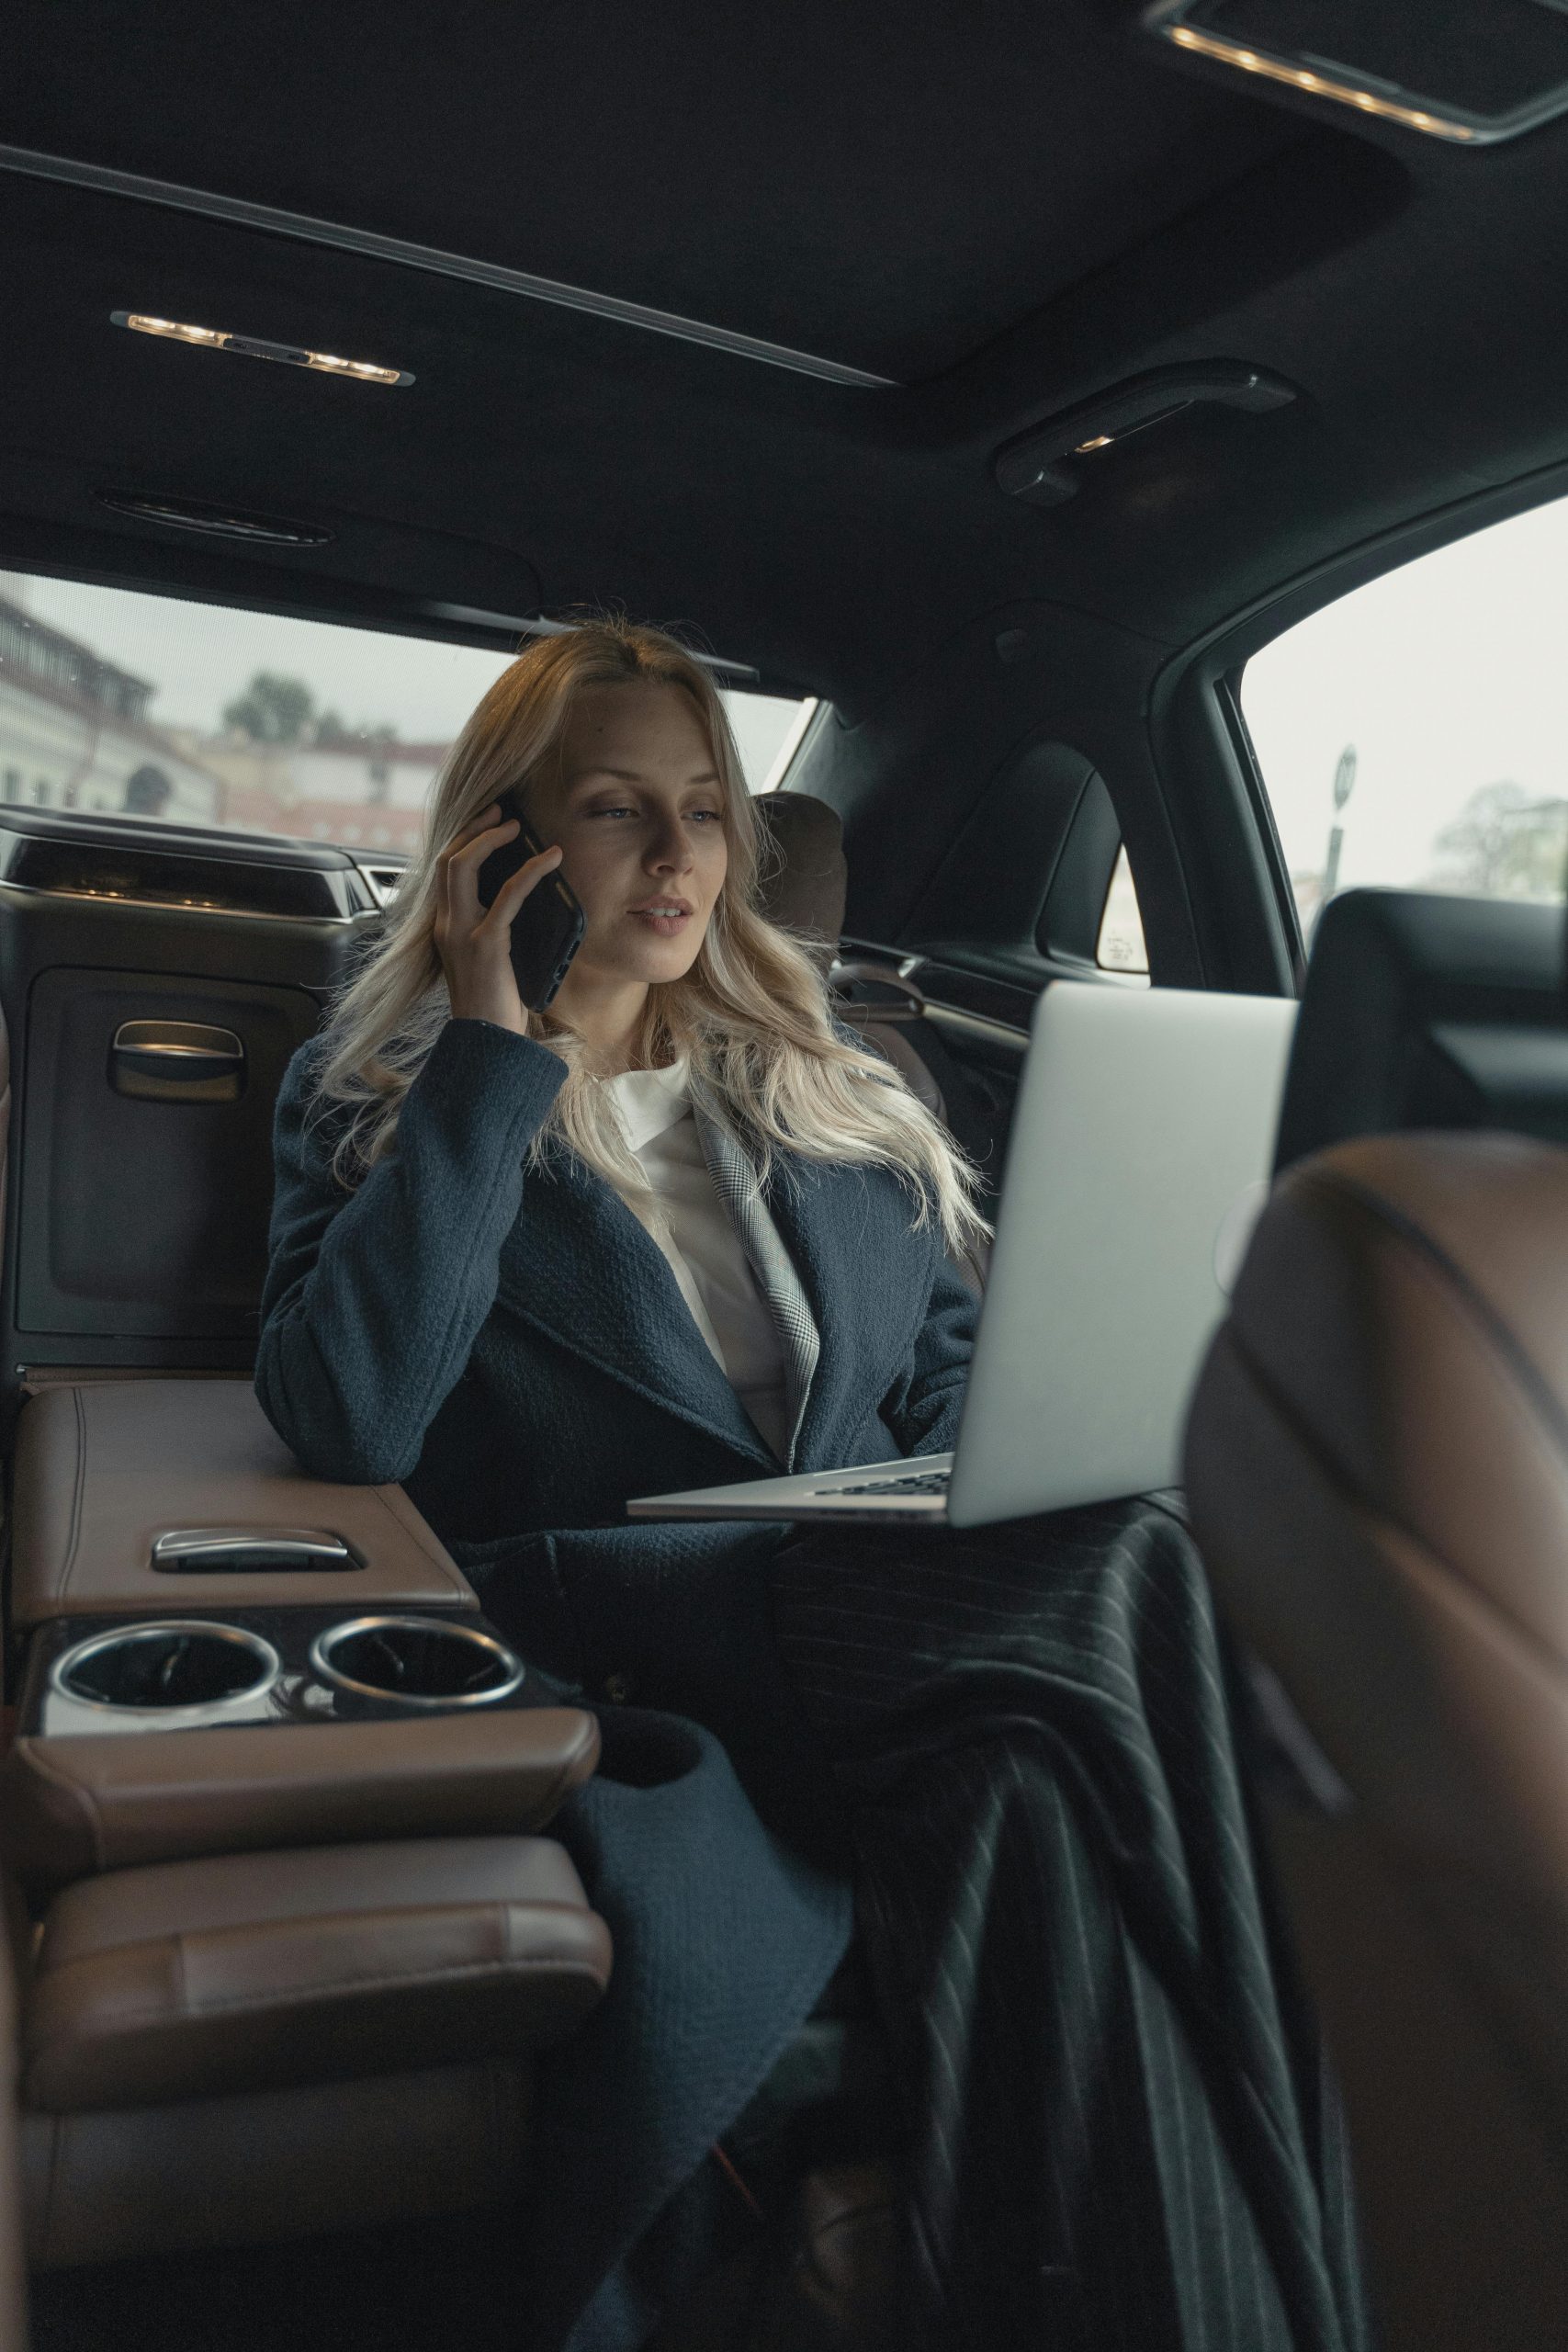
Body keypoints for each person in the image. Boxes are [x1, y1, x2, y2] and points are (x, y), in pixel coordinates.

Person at [255, 618, 1370, 2352]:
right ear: (500, 844)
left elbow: (949, 1379)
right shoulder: (387, 1096)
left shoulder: (833, 1084)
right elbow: (352, 1418)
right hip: (634, 1624)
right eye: (616, 808)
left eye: (706, 808)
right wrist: (495, 1048)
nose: (679, 852)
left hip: (902, 1617)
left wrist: (995, 1455)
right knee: (1135, 1566)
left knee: (1040, 1780)